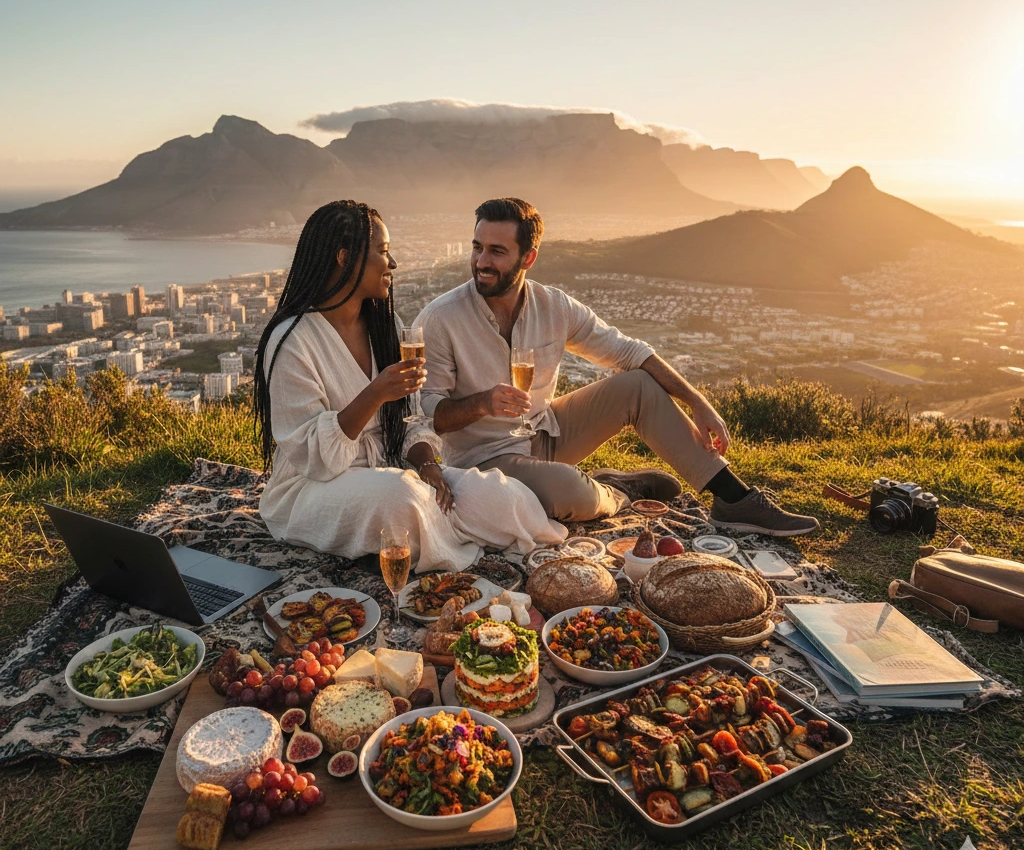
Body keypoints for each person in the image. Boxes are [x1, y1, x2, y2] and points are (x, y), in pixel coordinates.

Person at [414, 197, 819, 535]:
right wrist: (482, 403)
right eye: (477, 247)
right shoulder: (441, 318)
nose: (482, 261)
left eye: (497, 251)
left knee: (639, 385)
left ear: (529, 257)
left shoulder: (554, 306)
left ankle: (734, 499)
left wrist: (698, 402)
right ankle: (615, 487)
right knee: (568, 494)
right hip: (485, 459)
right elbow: (430, 414)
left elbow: (629, 352)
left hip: (544, 430)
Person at [253, 199, 567, 573]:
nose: (393, 264)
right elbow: (316, 460)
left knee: (503, 497)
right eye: (384, 253)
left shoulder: (385, 327)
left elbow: (413, 417)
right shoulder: (293, 341)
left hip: (392, 468)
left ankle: (435, 531)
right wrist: (375, 394)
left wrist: (427, 463)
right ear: (344, 258)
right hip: (316, 488)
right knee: (401, 500)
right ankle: (443, 537)